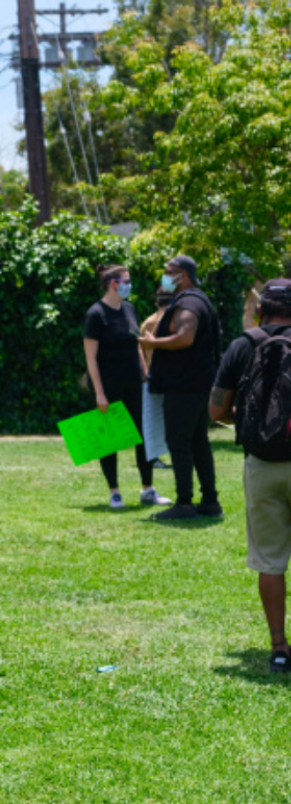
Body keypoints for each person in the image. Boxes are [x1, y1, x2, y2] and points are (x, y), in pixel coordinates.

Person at [210, 279, 291, 673]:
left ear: (262, 310)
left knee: (270, 561)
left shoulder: (245, 343)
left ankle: (278, 648)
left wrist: (245, 420)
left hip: (261, 465)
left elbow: (215, 410)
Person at [139, 255, 222, 520]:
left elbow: (185, 337)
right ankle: (210, 501)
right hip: (198, 384)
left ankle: (184, 503)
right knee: (198, 441)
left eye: (169, 272)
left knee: (180, 442)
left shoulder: (189, 302)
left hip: (185, 385)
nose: (164, 276)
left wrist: (153, 343)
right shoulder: (199, 299)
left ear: (183, 275)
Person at [83, 265, 170, 509]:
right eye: (126, 280)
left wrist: (145, 375)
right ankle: (114, 492)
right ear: (113, 283)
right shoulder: (96, 314)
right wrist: (99, 393)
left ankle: (148, 489)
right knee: (109, 439)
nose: (129, 285)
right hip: (108, 385)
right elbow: (90, 358)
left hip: (134, 382)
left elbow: (136, 346)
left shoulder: (129, 309)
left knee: (144, 436)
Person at [140, 289, 174, 470]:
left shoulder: (148, 322)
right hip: (172, 374)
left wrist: (144, 371)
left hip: (152, 375)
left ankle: (154, 456)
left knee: (153, 419)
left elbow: (140, 348)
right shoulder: (175, 319)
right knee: (172, 418)